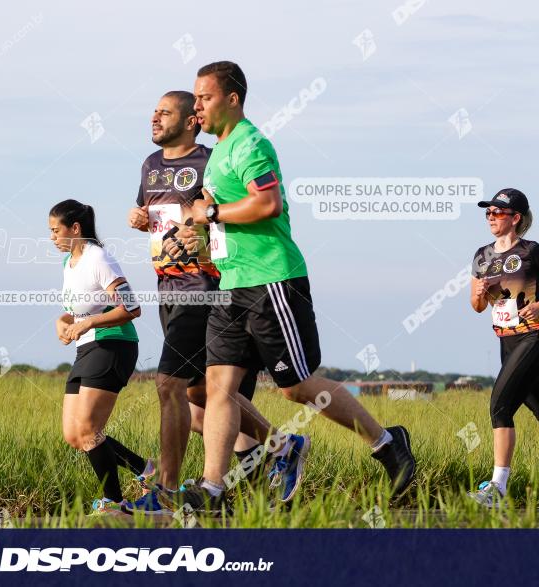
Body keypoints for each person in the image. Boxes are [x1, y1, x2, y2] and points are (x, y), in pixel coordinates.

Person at [167, 61, 416, 513]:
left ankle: (387, 443)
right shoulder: (219, 151)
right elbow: (218, 211)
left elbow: (267, 202)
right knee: (219, 387)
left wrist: (213, 216)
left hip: (272, 280)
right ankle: (213, 489)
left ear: (232, 99)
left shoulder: (251, 144)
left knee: (297, 387)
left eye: (204, 97)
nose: (196, 106)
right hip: (231, 283)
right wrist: (198, 232)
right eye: (195, 97)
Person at [128, 91, 309, 505]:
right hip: (166, 286)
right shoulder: (149, 165)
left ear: (190, 120)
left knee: (168, 385)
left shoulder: (212, 160)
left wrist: (205, 225)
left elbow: (234, 211)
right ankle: (281, 447)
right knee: (200, 397)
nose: (154, 118)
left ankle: (166, 493)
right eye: (152, 111)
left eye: (164, 112)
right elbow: (154, 216)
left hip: (204, 285)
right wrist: (138, 219)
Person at [50, 199, 153, 514]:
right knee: (74, 434)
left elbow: (131, 307)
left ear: (75, 229)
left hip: (113, 344)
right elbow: (75, 311)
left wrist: (89, 323)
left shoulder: (98, 258)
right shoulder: (69, 264)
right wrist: (63, 324)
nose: (52, 237)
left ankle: (114, 503)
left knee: (88, 430)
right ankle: (147, 470)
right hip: (87, 348)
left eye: (56, 231)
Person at [469, 188, 539, 508]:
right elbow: (476, 306)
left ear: (516, 218)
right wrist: (481, 293)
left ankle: (497, 488)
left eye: (497, 213)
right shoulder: (482, 256)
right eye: (488, 212)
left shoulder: (532, 252)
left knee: (500, 405)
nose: (491, 218)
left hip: (533, 337)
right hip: (506, 340)